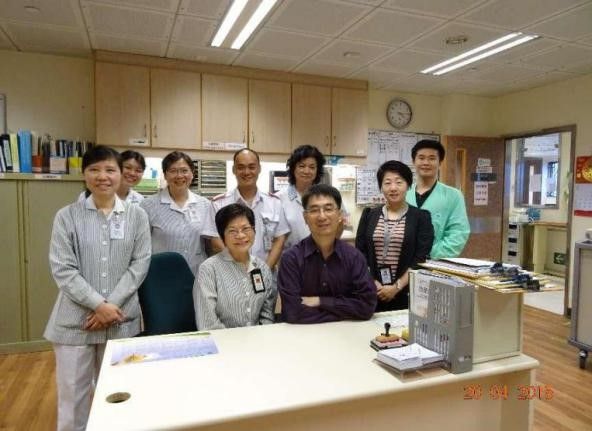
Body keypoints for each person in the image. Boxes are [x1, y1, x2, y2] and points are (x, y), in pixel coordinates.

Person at [44, 145, 151, 431]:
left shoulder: (137, 216)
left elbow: (140, 264)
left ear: (121, 174)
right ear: (84, 174)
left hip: (121, 321)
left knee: (120, 397)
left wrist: (110, 306)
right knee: (73, 401)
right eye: (94, 169)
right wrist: (98, 305)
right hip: (76, 323)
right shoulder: (67, 216)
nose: (102, 176)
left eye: (110, 169)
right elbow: (63, 269)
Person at [278, 184, 376, 324]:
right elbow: (292, 313)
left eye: (328, 209)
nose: (322, 216)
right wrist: (346, 310)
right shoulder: (291, 259)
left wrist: (320, 301)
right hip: (303, 334)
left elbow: (367, 306)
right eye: (314, 210)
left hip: (346, 334)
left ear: (339, 215)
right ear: (305, 217)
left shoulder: (354, 257)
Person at [356, 161, 434, 311]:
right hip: (373, 290)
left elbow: (421, 259)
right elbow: (360, 254)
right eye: (387, 183)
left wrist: (396, 287)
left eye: (399, 182)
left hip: (406, 292)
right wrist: (374, 283)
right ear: (381, 187)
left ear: (408, 185)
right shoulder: (369, 215)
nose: (393, 188)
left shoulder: (421, 217)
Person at [194, 204, 276, 330]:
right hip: (223, 341)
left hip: (258, 340)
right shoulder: (209, 270)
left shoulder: (262, 268)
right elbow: (208, 324)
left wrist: (263, 338)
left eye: (246, 228)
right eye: (232, 231)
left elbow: (267, 316)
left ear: (254, 231)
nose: (241, 235)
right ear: (222, 236)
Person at [204, 149, 289, 270]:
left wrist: (264, 271)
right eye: (241, 167)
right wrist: (239, 270)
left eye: (251, 167)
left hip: (266, 273)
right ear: (234, 170)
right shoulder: (219, 204)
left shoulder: (275, 202)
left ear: (259, 169)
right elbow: (216, 241)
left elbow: (279, 239)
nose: (246, 172)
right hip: (230, 273)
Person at [140, 151, 215, 276]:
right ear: (165, 175)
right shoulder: (148, 205)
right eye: (173, 171)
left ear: (192, 173)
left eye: (184, 170)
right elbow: (141, 247)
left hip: (197, 276)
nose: (179, 176)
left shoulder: (205, 205)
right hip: (162, 276)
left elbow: (209, 246)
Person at [406, 139, 470, 259]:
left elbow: (458, 233)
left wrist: (428, 254)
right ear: (413, 161)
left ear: (440, 163)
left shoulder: (453, 195)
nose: (426, 162)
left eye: (432, 158)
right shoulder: (403, 194)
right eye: (421, 158)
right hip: (402, 263)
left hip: (436, 262)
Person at [78, 149, 146, 204]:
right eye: (128, 167)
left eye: (138, 170)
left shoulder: (140, 199)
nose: (132, 173)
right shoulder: (87, 197)